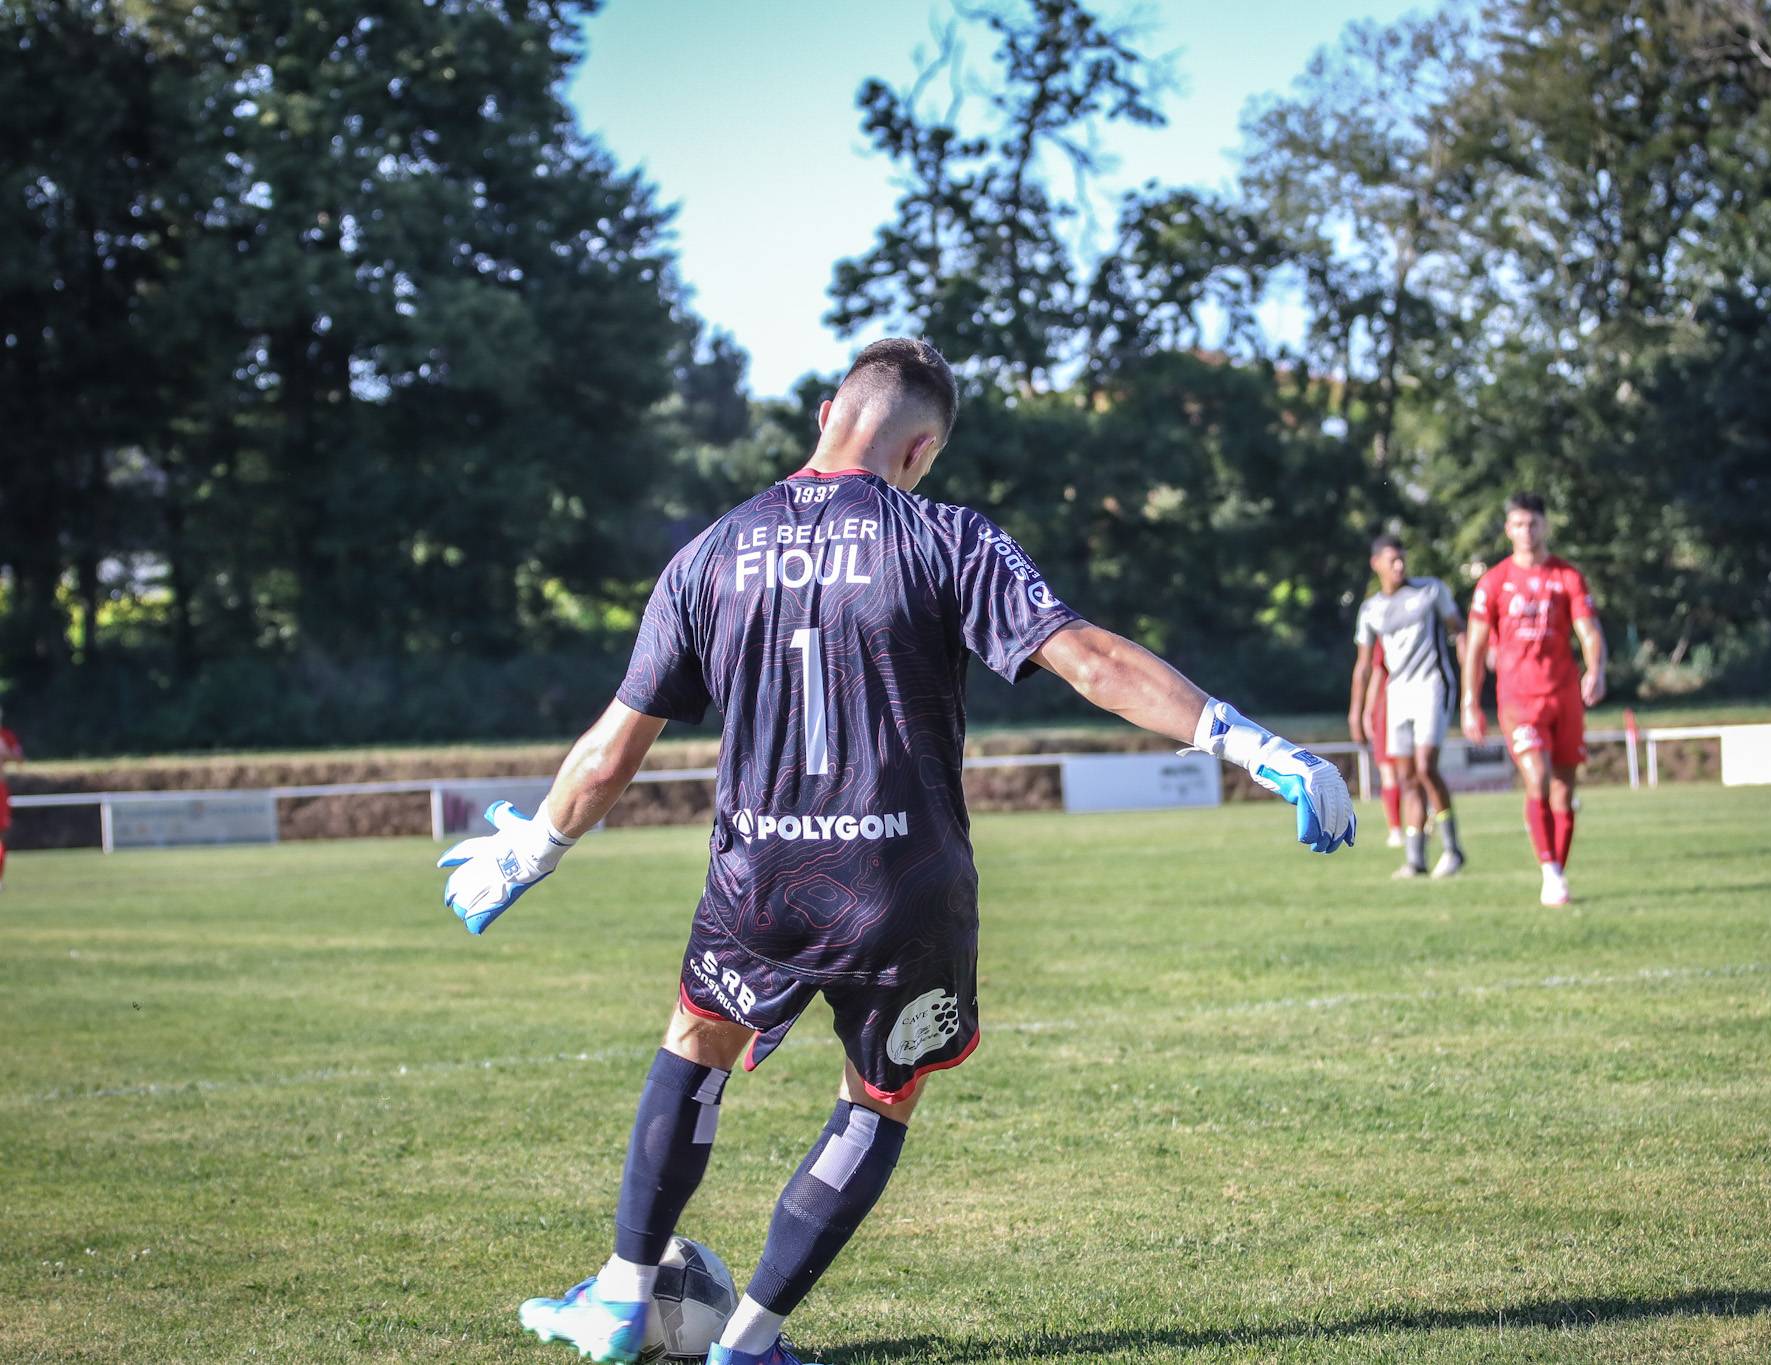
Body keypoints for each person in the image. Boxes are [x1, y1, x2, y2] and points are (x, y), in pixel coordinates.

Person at [436, 338, 1356, 1365]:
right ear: (919, 451)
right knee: (879, 1097)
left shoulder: (710, 552)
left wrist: (533, 850)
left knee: (696, 1043)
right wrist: (1253, 745)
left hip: (760, 880)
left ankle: (619, 1294)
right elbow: (1091, 662)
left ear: (826, 414)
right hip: (905, 887)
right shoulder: (944, 536)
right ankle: (748, 1342)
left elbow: (614, 748)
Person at [1461, 493, 1606, 907]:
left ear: (1545, 526)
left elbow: (1589, 631)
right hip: (1518, 698)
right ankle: (1549, 871)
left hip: (1563, 695)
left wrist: (1595, 669)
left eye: (1533, 524)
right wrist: (1470, 701)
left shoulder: (1567, 576)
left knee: (1564, 790)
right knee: (1537, 776)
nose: (1527, 532)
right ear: (1508, 529)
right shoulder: (1493, 582)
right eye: (1519, 524)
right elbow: (1475, 647)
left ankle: (1557, 869)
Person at [1349, 534, 1465, 880]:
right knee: (1405, 778)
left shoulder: (1430, 591)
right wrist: (1356, 710)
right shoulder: (1371, 609)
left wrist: (1472, 677)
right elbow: (1364, 665)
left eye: (1402, 559)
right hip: (1397, 693)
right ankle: (1416, 860)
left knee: (1426, 767)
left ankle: (1452, 849)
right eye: (1392, 560)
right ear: (1376, 565)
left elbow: (1458, 629)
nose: (1399, 566)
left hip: (1432, 685)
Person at [1358, 640, 1404, 848]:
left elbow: (1378, 671)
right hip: (1418, 699)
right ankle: (1421, 821)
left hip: (1389, 705)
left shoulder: (1385, 631)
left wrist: (1368, 710)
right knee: (1415, 770)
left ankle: (1396, 830)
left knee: (1389, 771)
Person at [0, 705, 20, 890]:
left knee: (2, 835)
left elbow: (20, 759)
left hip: (0, 789)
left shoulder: (6, 736)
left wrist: (6, 753)